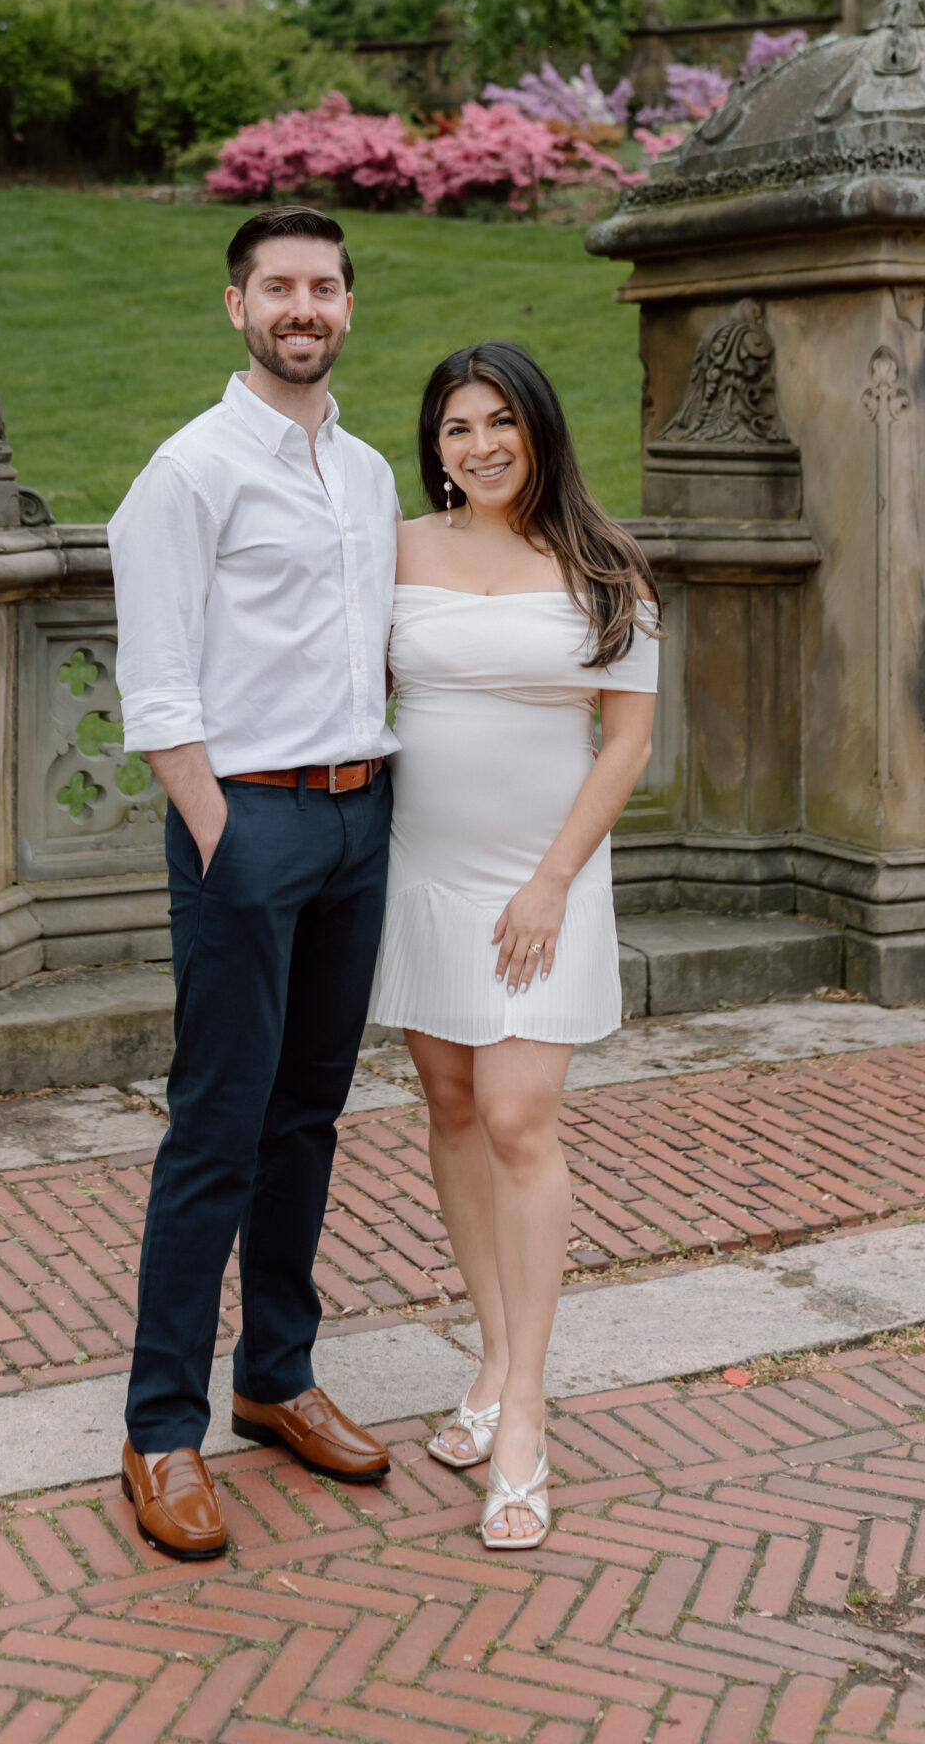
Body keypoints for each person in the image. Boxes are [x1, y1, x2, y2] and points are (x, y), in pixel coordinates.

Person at [107, 206, 399, 1561]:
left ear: (345, 305)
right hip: (250, 829)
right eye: (277, 285)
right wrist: (217, 831)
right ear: (236, 306)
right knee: (216, 1126)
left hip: (356, 819)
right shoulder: (186, 472)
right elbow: (157, 680)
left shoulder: (369, 473)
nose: (303, 305)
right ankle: (160, 1428)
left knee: (308, 1118)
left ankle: (274, 1377)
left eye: (322, 286)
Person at [371, 342, 658, 1551]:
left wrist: (551, 881)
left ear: (539, 429)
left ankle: (527, 1413)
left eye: (500, 423)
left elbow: (629, 743)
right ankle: (490, 1357)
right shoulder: (395, 547)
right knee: (446, 1103)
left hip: (543, 883)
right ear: (433, 445)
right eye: (455, 428)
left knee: (517, 1117)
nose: (478, 445)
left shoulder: (603, 565)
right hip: (423, 874)